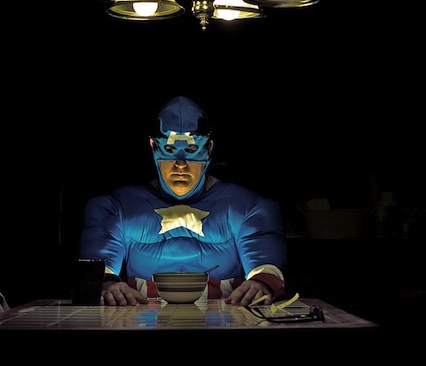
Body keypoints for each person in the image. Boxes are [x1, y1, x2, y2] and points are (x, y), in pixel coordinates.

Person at [79, 95, 287, 307]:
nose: (180, 165)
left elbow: (265, 267)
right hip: (145, 318)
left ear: (209, 148)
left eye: (190, 151)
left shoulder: (247, 207)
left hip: (222, 318)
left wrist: (261, 283)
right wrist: (106, 284)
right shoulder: (116, 207)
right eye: (170, 151)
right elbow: (96, 271)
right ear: (153, 146)